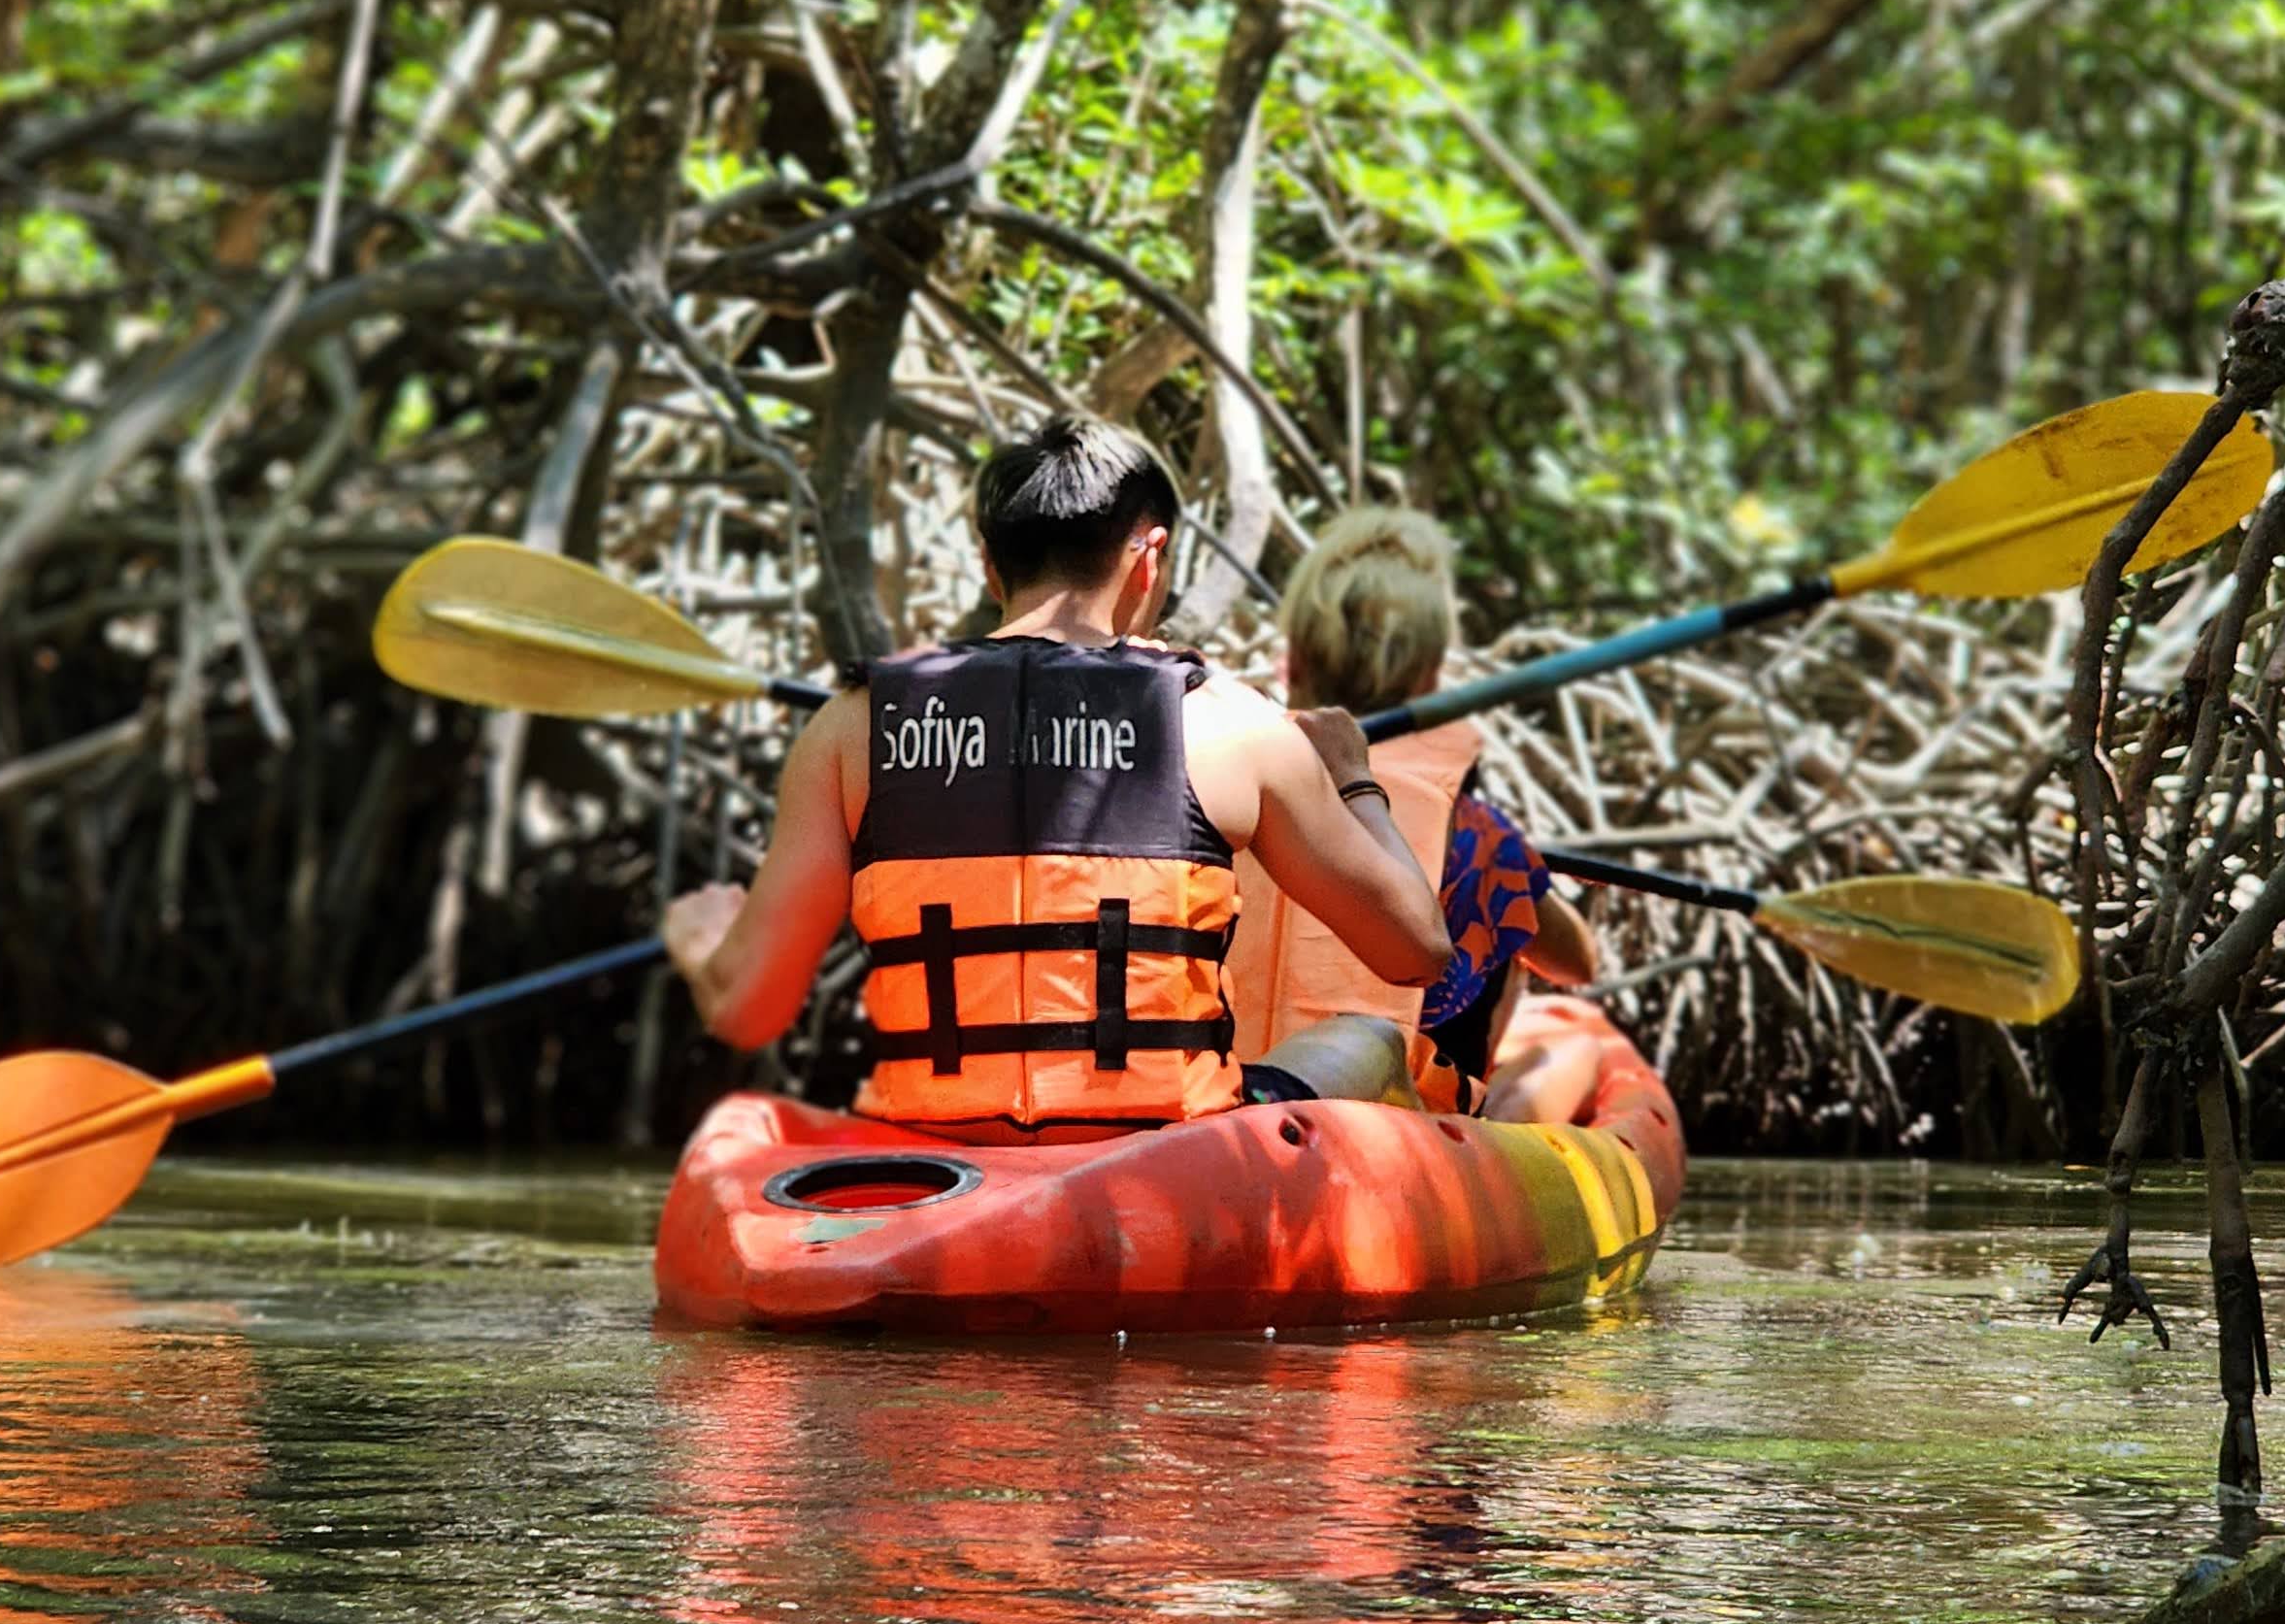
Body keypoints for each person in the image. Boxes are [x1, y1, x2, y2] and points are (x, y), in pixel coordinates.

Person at [660, 416, 1451, 1128]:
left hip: (943, 1156)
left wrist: (701, 942)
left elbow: (744, 1005)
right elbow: (1415, 950)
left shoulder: (851, 725)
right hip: (1170, 1158)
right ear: (1151, 556)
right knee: (1367, 1038)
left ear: (988, 567)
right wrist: (1354, 780)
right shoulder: (1230, 724)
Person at [1228, 505, 1605, 1122]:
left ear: (1293, 658)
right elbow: (1577, 964)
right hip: (1400, 1116)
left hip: (1227, 1093)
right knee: (1573, 1051)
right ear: (1431, 672)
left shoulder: (1225, 775)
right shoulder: (1480, 837)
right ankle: (1493, 1155)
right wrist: (1526, 865)